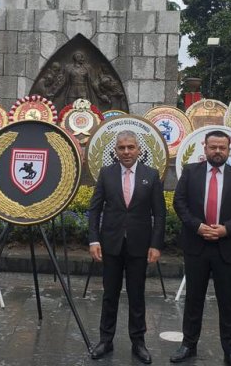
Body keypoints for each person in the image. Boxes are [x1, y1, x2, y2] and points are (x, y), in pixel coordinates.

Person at [171, 130, 231, 366]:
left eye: (222, 147)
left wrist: (226, 229)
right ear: (204, 148)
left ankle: (230, 352)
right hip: (196, 246)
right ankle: (188, 345)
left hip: (226, 248)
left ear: (229, 149)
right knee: (193, 300)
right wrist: (198, 226)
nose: (217, 151)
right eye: (213, 147)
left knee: (227, 302)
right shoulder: (190, 172)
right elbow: (179, 203)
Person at [88, 130, 166, 364]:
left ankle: (139, 342)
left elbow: (159, 214)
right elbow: (95, 209)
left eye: (131, 147)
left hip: (139, 247)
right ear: (116, 151)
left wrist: (155, 244)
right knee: (109, 295)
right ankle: (105, 340)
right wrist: (94, 240)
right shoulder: (106, 174)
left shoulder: (151, 175)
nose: (126, 152)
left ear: (139, 150)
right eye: (122, 148)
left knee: (137, 295)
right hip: (110, 245)